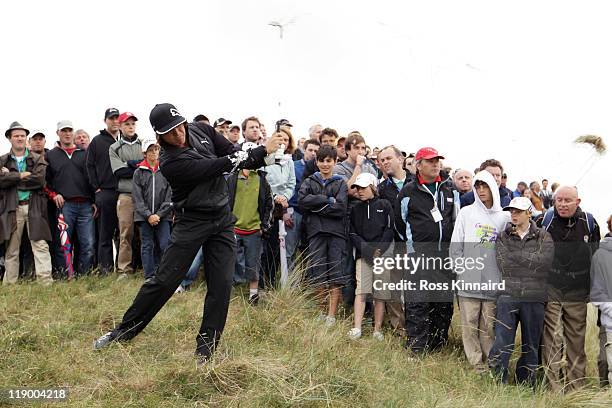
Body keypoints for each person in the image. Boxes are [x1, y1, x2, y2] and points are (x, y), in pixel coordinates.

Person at [93, 103, 284, 365]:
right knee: (164, 281)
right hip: (192, 220)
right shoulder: (171, 163)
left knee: (221, 285)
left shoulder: (201, 129)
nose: (179, 134)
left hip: (221, 217)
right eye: (171, 132)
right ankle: (123, 332)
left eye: (180, 126)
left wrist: (262, 154)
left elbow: (234, 152)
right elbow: (218, 165)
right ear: (160, 137)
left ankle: (206, 349)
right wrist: (261, 150)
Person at [396, 147, 459, 354]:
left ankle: (437, 344)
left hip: (445, 256)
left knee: (442, 302)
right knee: (417, 301)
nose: (435, 164)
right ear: (418, 164)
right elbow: (399, 222)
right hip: (418, 256)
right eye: (430, 161)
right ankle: (416, 347)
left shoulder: (450, 189)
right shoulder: (408, 191)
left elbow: (456, 220)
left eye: (438, 161)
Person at [538, 185, 600, 391]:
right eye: (559, 200)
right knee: (552, 338)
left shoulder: (589, 224)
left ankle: (576, 387)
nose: (563, 204)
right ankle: (552, 388)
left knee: (576, 340)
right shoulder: (543, 222)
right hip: (551, 288)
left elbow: (595, 257)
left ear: (578, 202)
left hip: (577, 291)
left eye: (567, 200)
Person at [488, 197, 553, 386]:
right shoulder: (503, 236)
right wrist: (530, 260)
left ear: (529, 213)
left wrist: (516, 256)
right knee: (502, 342)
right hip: (508, 295)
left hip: (534, 297)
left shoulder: (543, 236)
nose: (514, 214)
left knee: (531, 344)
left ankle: (526, 384)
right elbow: (504, 265)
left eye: (518, 211)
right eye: (512, 211)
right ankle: (497, 382)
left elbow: (544, 264)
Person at [450, 171, 510, 373]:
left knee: (488, 325)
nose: (481, 190)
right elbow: (456, 245)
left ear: (493, 188)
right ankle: (476, 362)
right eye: (478, 187)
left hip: (493, 281)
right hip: (469, 280)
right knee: (469, 324)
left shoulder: (504, 217)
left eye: (485, 186)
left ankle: (491, 360)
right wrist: (461, 270)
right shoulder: (466, 213)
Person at [298, 145, 348, 326]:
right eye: (321, 160)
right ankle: (321, 310)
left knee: (336, 272)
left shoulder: (341, 182)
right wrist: (327, 200)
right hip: (316, 231)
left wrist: (317, 207)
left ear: (335, 162)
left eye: (329, 161)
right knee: (318, 270)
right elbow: (303, 201)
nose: (325, 164)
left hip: (336, 233)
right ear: (316, 162)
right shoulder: (310, 181)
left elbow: (341, 208)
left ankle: (331, 315)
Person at [0, 121, 53, 285]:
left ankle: (45, 282)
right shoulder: (2, 160)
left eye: (23, 135)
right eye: (16, 136)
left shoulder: (38, 158)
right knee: (12, 248)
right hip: (12, 208)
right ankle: (10, 284)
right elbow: (1, 182)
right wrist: (21, 175)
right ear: (9, 138)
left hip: (34, 206)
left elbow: (38, 180)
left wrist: (12, 177)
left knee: (40, 245)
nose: (20, 138)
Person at [45, 120, 96, 276]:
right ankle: (64, 275)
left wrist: (94, 201)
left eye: (69, 130)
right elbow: (45, 182)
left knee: (88, 244)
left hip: (86, 205)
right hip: (64, 205)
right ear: (58, 133)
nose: (67, 133)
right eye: (63, 131)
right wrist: (54, 195)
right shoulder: (50, 155)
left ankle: (84, 275)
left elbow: (93, 178)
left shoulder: (84, 154)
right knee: (63, 244)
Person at [348, 173, 394, 341]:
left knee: (380, 293)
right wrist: (367, 250)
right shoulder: (355, 208)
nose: (359, 191)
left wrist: (379, 251)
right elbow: (352, 232)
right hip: (363, 255)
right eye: (357, 188)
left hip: (383, 255)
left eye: (363, 188)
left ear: (373, 187)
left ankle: (377, 330)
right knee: (361, 291)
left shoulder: (385, 204)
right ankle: (357, 327)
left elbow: (389, 230)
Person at [227, 149, 273, 304]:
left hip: (254, 230)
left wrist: (264, 226)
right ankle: (227, 292)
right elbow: (225, 201)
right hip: (234, 228)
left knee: (253, 263)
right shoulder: (232, 178)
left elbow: (268, 204)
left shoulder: (261, 179)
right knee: (229, 261)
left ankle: (253, 295)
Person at [377, 145, 414, 334]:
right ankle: (399, 328)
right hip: (394, 244)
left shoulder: (417, 182)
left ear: (400, 159)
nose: (384, 163)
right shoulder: (382, 189)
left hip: (417, 243)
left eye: (388, 158)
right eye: (382, 160)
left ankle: (417, 325)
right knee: (394, 285)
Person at [132, 139, 173, 281]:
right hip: (144, 217)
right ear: (144, 153)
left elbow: (170, 196)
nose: (154, 153)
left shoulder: (166, 170)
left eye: (156, 149)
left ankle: (164, 274)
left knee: (165, 244)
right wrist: (148, 215)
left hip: (163, 216)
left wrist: (159, 215)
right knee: (147, 245)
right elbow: (137, 198)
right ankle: (149, 275)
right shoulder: (138, 172)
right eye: (150, 150)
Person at [260, 126, 296, 288]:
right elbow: (263, 179)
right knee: (264, 248)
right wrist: (274, 197)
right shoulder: (266, 158)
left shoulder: (289, 161)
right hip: (266, 206)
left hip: (281, 207)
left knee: (276, 247)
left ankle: (271, 281)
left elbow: (291, 183)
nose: (282, 142)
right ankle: (259, 282)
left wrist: (285, 197)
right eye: (279, 138)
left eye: (286, 139)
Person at [86, 108, 121, 275]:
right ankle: (105, 270)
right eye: (111, 118)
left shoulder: (125, 139)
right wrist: (96, 188)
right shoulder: (97, 141)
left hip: (125, 193)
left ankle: (124, 269)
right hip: (105, 192)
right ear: (105, 120)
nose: (115, 121)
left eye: (117, 118)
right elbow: (89, 166)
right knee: (105, 235)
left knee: (124, 234)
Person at [109, 112, 144, 277]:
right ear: (121, 127)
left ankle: (146, 267)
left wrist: (131, 165)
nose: (130, 127)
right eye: (127, 124)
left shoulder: (144, 144)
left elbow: (148, 167)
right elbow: (120, 172)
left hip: (144, 194)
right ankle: (124, 269)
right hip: (126, 195)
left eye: (132, 124)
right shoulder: (115, 147)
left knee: (145, 233)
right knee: (126, 232)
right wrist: (136, 166)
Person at [286, 139, 320, 270]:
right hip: (294, 211)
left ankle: (306, 282)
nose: (313, 153)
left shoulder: (321, 167)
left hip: (311, 214)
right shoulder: (293, 166)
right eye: (310, 150)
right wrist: (286, 211)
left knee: (308, 250)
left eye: (316, 151)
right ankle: (290, 285)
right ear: (304, 150)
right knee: (290, 250)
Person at [590, 231, 612, 386]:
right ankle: (605, 394)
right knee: (605, 361)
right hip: (608, 321)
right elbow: (597, 292)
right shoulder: (601, 255)